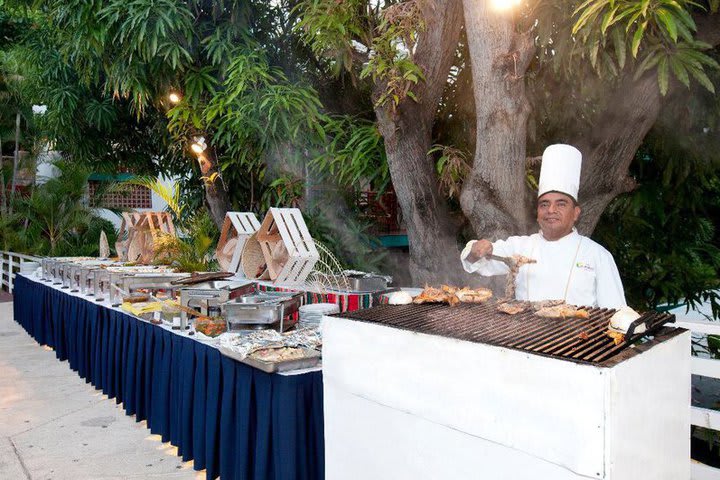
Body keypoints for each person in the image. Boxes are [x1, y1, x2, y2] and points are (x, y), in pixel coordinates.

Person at [460, 144, 626, 308]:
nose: (551, 210)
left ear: (576, 213)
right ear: (538, 213)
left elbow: (615, 313)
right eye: (544, 204)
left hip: (580, 334)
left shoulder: (598, 256)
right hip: (525, 333)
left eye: (561, 204)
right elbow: (475, 262)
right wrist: (476, 250)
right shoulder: (520, 247)